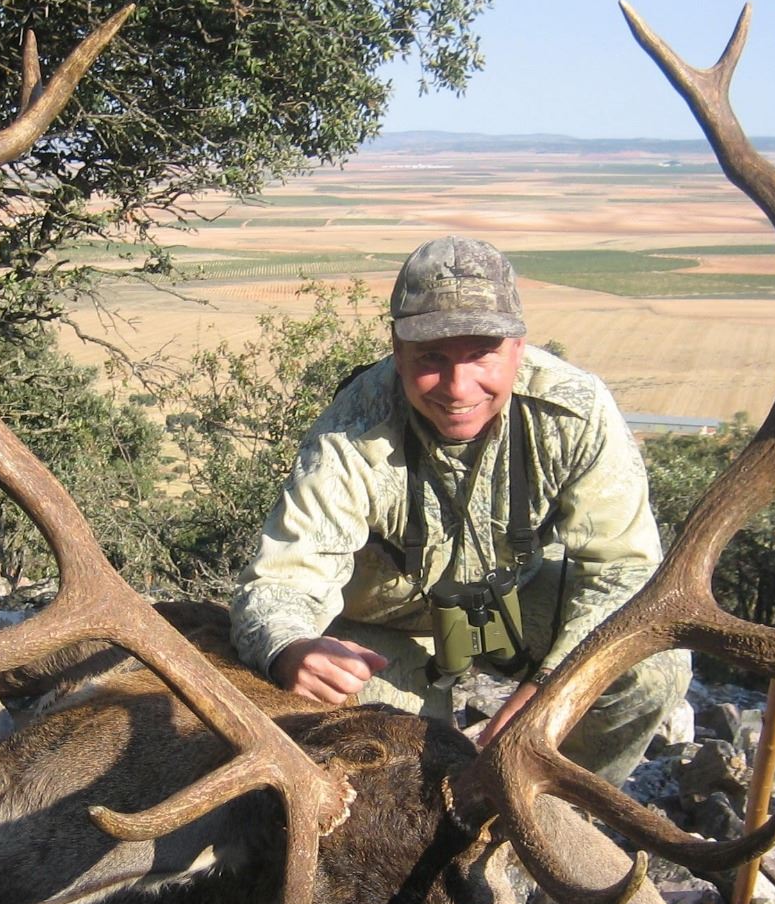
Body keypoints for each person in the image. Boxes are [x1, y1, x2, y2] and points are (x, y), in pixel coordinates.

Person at [228, 235, 689, 785]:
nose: (457, 387)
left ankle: (556, 809)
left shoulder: (575, 410)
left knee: (650, 668)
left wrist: (551, 690)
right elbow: (283, 580)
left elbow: (624, 571)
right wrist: (290, 648)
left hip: (515, 600)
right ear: (398, 350)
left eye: (481, 354)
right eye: (432, 358)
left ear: (518, 348)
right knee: (397, 759)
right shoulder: (350, 430)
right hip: (385, 625)